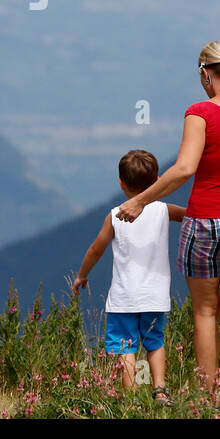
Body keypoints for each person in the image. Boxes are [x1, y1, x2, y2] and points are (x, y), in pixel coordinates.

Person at [116, 41, 220, 417]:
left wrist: (140, 200)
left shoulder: (200, 112)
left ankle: (209, 401)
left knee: (205, 312)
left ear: (206, 73)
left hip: (204, 220)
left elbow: (185, 168)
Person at [73, 149, 186, 403]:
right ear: (157, 182)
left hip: (124, 298)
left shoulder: (115, 216)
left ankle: (131, 396)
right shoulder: (164, 210)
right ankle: (159, 389)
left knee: (125, 347)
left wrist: (82, 275)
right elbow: (191, 215)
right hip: (155, 296)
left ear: (121, 183)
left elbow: (95, 249)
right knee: (154, 342)